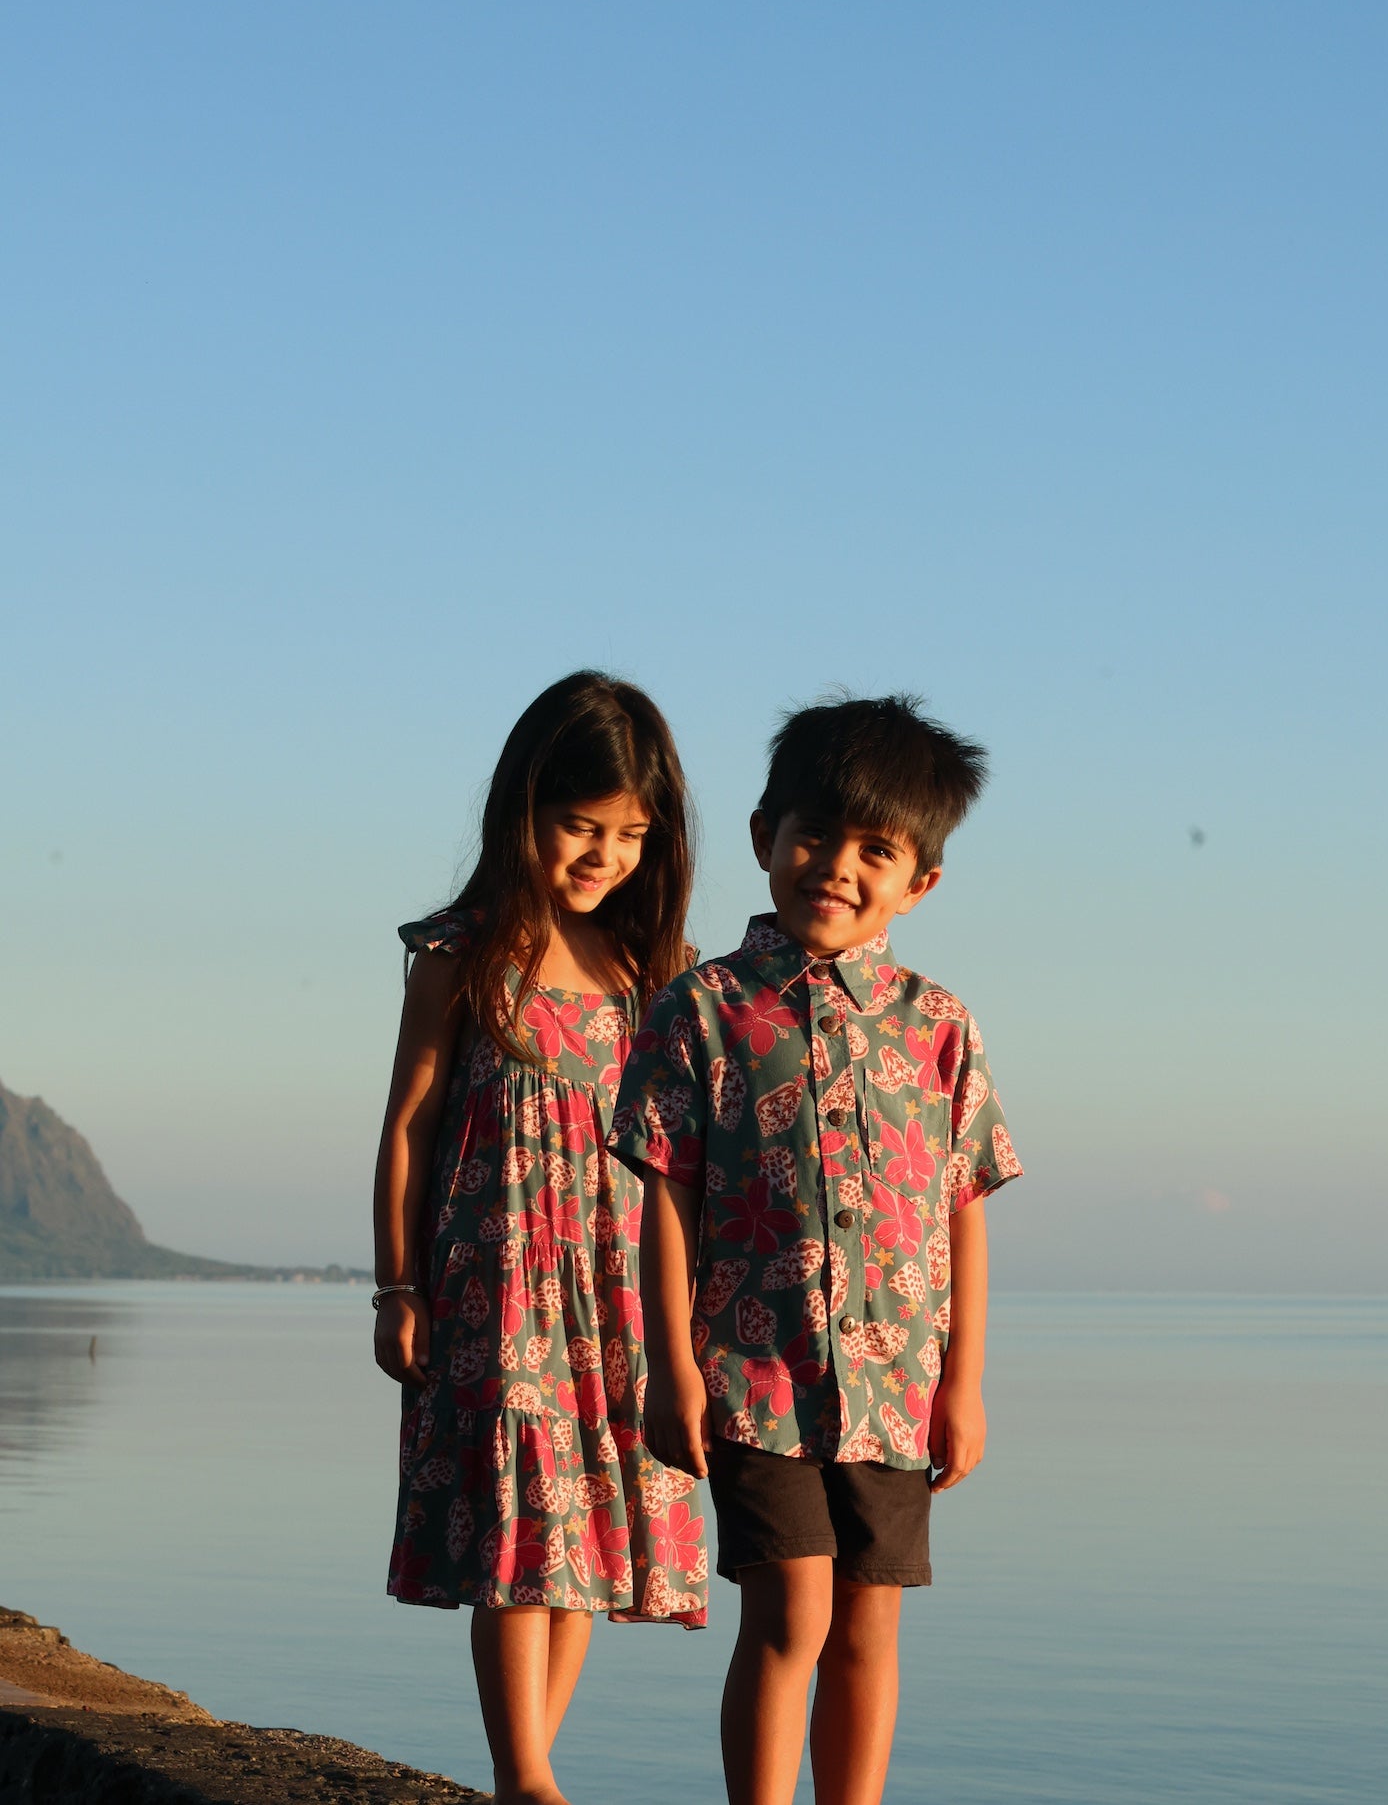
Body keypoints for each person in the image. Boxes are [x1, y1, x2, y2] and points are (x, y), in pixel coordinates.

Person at [611, 694, 1022, 1805]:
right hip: (754, 1375)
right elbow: (666, 1198)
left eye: (875, 850)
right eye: (816, 836)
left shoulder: (939, 1024)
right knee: (791, 1610)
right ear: (765, 838)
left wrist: (964, 1385)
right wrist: (671, 1368)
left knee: (867, 1623)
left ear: (919, 882)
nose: (838, 867)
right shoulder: (701, 1009)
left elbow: (962, 1209)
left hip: (896, 1384)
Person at [373, 670, 708, 1805]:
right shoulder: (464, 954)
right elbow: (410, 1126)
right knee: (519, 1533)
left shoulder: (651, 973)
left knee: (580, 1539)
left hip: (616, 1290)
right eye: (580, 825)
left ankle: (531, 1772)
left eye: (630, 834)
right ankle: (523, 1777)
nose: (605, 855)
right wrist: (397, 1287)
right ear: (524, 810)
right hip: (500, 1280)